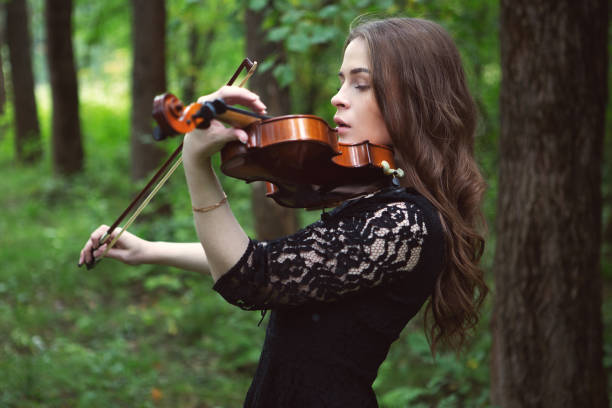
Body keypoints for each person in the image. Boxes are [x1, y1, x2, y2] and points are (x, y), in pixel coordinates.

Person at [79, 17, 488, 407]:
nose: (338, 97)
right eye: (342, 81)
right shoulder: (378, 199)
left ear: (414, 98)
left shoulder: (405, 223)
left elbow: (254, 276)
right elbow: (278, 260)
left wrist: (196, 163)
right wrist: (149, 250)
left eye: (360, 84)